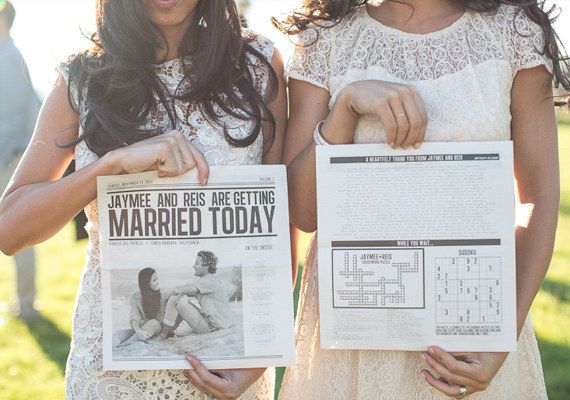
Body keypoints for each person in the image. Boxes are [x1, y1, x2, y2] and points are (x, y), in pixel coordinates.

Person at [276, 0, 568, 399]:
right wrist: (345, 108)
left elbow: (539, 197)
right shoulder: (324, 36)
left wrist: (502, 337)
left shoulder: (514, 32)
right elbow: (303, 213)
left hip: (475, 336)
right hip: (351, 346)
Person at [0, 0, 287, 399]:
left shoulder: (257, 65)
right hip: (110, 376)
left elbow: (279, 228)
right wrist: (111, 165)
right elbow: (8, 230)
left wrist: (259, 360)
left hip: (227, 371)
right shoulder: (84, 78)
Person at [0, 0, 41, 320]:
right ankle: (25, 305)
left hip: (8, 162)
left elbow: (15, 121)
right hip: (9, 158)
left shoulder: (10, 59)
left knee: (18, 236)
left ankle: (26, 306)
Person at [159, 251, 234, 339]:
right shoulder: (211, 280)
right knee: (181, 297)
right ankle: (170, 330)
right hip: (218, 323)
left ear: (206, 265)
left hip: (213, 327)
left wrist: (166, 297)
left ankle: (164, 334)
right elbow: (185, 292)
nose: (194, 266)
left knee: (176, 298)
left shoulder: (209, 282)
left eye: (197, 263)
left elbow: (177, 290)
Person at [114, 267, 171, 348]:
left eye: (157, 279)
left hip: (157, 327)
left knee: (153, 322)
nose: (158, 282)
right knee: (119, 334)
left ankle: (124, 346)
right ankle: (118, 347)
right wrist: (139, 331)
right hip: (142, 329)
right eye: (154, 280)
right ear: (146, 282)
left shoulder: (163, 294)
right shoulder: (135, 297)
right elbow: (134, 318)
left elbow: (176, 299)